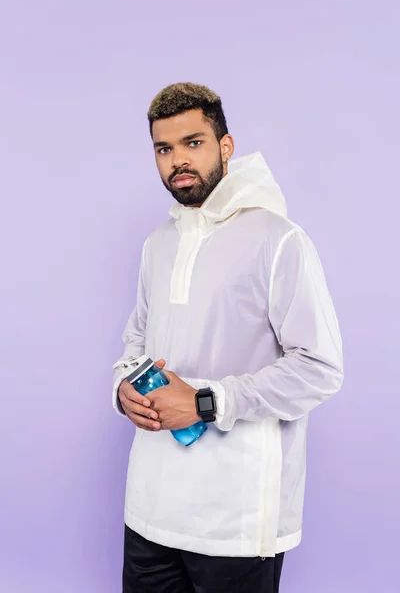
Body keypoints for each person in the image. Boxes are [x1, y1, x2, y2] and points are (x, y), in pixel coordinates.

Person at [112, 82, 344, 593]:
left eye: (193, 143)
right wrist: (123, 389)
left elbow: (319, 368)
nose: (178, 161)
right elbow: (136, 341)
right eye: (163, 148)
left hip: (236, 521)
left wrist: (204, 402)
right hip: (148, 510)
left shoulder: (279, 240)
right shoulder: (159, 244)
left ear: (226, 146)